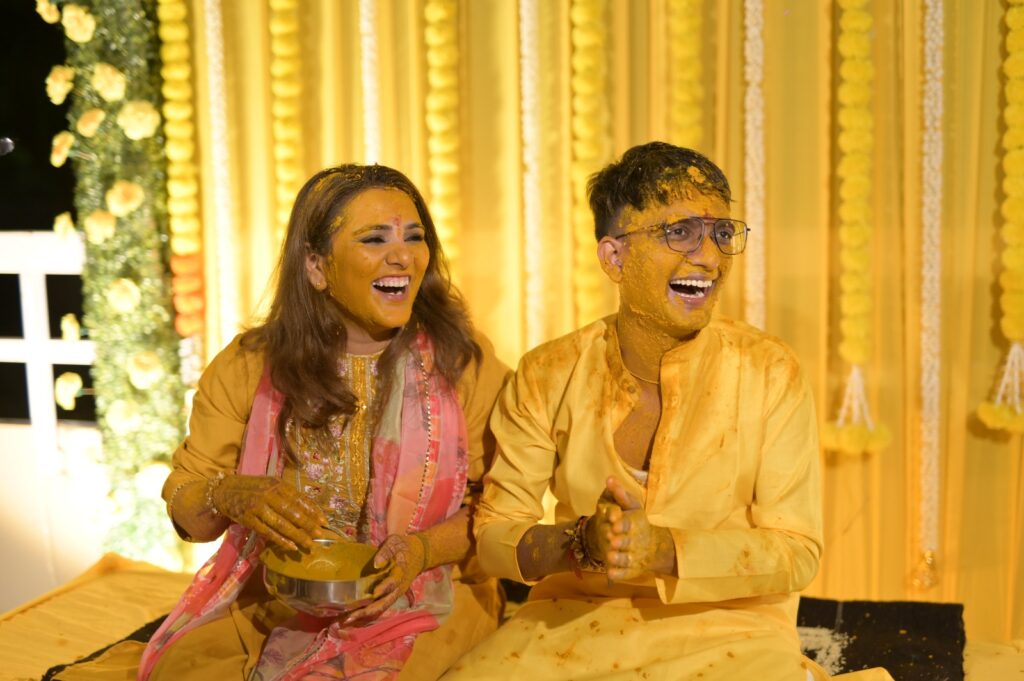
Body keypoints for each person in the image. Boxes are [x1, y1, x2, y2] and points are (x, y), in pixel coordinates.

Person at [443, 143, 892, 680]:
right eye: (680, 232)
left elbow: (797, 552)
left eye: (721, 234)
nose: (709, 258)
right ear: (615, 258)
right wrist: (581, 543)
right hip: (571, 626)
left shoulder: (769, 370)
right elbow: (495, 537)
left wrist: (665, 551)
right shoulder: (549, 372)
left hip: (731, 630)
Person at [139, 164, 508, 680]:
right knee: (181, 671)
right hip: (280, 597)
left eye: (414, 237)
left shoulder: (462, 365)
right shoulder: (249, 365)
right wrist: (228, 494)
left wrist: (422, 550)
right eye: (374, 239)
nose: (402, 256)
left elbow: (500, 509)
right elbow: (189, 507)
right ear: (316, 266)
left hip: (423, 595)